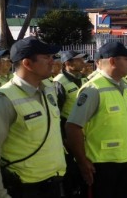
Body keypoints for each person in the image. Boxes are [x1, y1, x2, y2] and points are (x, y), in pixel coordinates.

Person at [0, 37, 66, 198]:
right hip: (25, 188)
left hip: (54, 183)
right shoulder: (4, 99)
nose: (53, 62)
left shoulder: (48, 90)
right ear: (27, 64)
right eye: (46, 57)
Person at [65, 41, 127, 198]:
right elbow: (72, 127)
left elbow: (123, 121)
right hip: (100, 165)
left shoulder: (125, 86)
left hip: (123, 160)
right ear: (112, 61)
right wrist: (82, 162)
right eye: (126, 59)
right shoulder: (93, 89)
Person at [53, 50, 88, 197]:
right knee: (71, 171)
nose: (83, 63)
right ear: (68, 64)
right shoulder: (59, 82)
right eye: (78, 60)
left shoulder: (84, 80)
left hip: (85, 132)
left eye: (82, 60)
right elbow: (57, 113)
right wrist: (64, 139)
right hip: (68, 133)